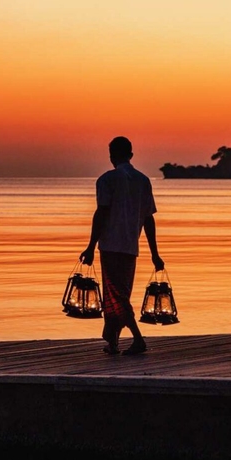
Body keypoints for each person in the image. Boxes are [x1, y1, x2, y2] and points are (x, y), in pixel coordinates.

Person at [79, 136, 163, 356]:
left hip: (110, 246)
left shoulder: (107, 180)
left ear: (111, 156)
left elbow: (102, 213)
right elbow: (148, 219)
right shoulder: (143, 180)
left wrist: (90, 246)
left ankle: (137, 338)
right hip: (130, 247)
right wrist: (155, 253)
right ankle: (114, 342)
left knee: (117, 296)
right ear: (131, 155)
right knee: (117, 294)